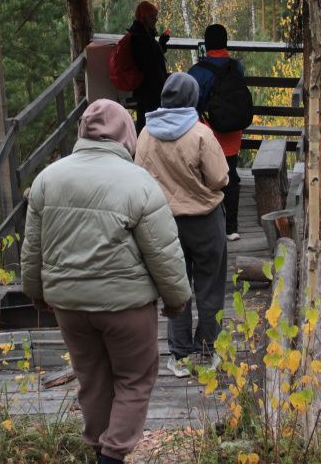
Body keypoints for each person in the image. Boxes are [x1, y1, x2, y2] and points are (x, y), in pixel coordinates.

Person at [21, 99, 191, 464]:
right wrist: (176, 300)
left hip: (68, 305)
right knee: (135, 377)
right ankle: (112, 457)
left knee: (92, 380)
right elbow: (162, 251)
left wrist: (36, 295)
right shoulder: (139, 183)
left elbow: (32, 250)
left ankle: (99, 450)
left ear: (83, 131)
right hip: (125, 307)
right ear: (125, 134)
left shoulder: (48, 179)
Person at [136, 73, 230, 378]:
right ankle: (208, 350)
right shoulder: (201, 134)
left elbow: (138, 178)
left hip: (164, 222)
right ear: (192, 99)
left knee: (175, 288)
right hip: (204, 221)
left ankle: (178, 356)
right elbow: (220, 178)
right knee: (209, 285)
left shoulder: (146, 134)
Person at [188, 24, 247, 242]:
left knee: (205, 177)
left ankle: (209, 225)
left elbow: (191, 104)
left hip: (208, 132)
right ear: (225, 43)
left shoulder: (198, 72)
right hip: (233, 132)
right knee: (231, 175)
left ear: (207, 44)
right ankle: (231, 228)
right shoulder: (236, 67)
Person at [128, 0, 170, 132]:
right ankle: (144, 149)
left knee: (144, 121)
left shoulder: (142, 35)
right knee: (148, 124)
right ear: (143, 17)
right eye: (152, 16)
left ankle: (142, 148)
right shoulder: (141, 38)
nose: (156, 20)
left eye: (156, 16)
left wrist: (161, 44)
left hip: (146, 90)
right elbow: (150, 63)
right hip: (150, 91)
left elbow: (152, 58)